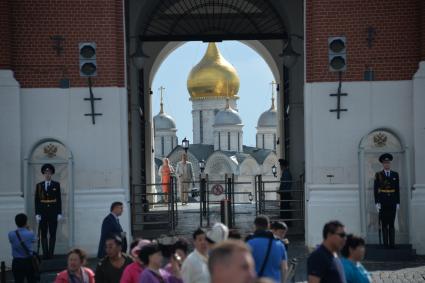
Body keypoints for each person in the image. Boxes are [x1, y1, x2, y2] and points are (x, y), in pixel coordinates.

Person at [246, 215, 288, 283]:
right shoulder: (280, 244)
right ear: (268, 226)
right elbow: (284, 268)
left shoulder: (249, 243)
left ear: (255, 226)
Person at [35, 163, 62, 259]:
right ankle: (45, 254)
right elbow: (37, 200)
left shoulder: (56, 185)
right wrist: (37, 213)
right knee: (43, 233)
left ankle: (51, 254)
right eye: (46, 173)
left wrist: (59, 212)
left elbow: (59, 199)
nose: (48, 174)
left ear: (52, 174)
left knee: (52, 233)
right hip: (42, 212)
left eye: (49, 172)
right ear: (43, 173)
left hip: (53, 212)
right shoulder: (39, 186)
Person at [374, 153, 400, 248]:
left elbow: (397, 189)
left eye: (388, 162)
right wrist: (377, 202)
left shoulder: (395, 174)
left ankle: (392, 244)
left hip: (392, 201)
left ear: (390, 163)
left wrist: (398, 202)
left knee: (392, 223)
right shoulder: (378, 175)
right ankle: (385, 244)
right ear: (382, 164)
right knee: (384, 223)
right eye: (385, 163)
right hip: (383, 202)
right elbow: (375, 189)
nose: (387, 164)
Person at [8, 213, 37, 283]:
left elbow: (11, 241)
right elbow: (35, 240)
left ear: (16, 222)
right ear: (26, 222)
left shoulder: (11, 234)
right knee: (31, 280)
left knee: (18, 280)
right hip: (28, 261)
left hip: (17, 261)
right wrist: (29, 228)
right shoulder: (30, 233)